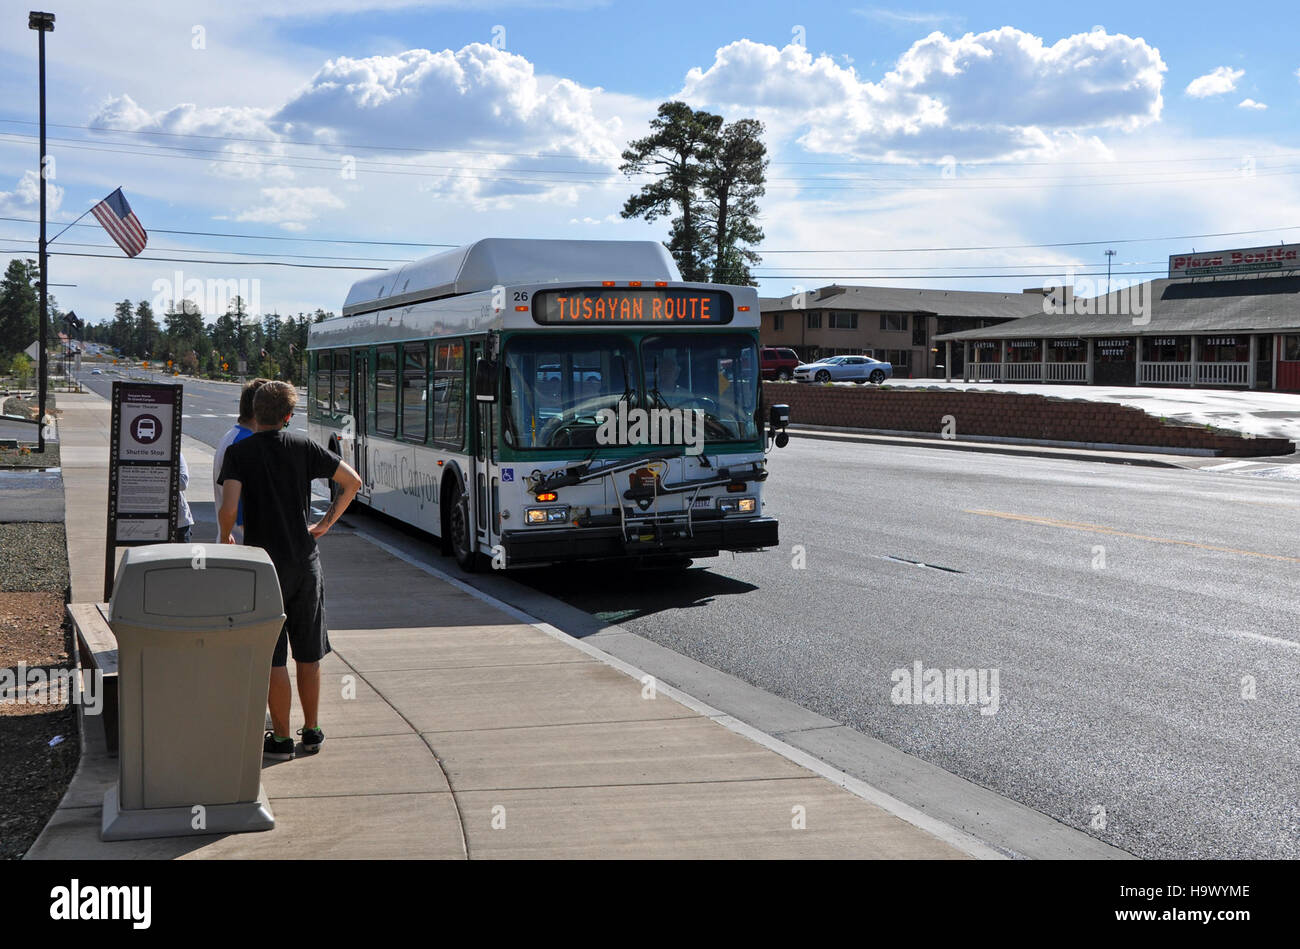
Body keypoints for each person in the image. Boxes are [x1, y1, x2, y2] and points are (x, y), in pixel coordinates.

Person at [217, 381, 362, 760]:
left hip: (264, 566)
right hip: (304, 561)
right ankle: (311, 731)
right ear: (287, 416)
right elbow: (352, 482)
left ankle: (280, 737)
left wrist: (224, 536)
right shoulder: (303, 447)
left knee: (272, 655)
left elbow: (229, 506)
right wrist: (326, 525)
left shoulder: (239, 452)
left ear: (255, 413)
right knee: (309, 653)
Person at [212, 378, 269, 543]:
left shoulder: (233, 436)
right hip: (245, 545)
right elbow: (241, 506)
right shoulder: (247, 444)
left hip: (231, 541)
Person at [172, 452, 194, 543]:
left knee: (182, 556)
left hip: (179, 523)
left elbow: (183, 482)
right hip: (147, 523)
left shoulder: (175, 453)